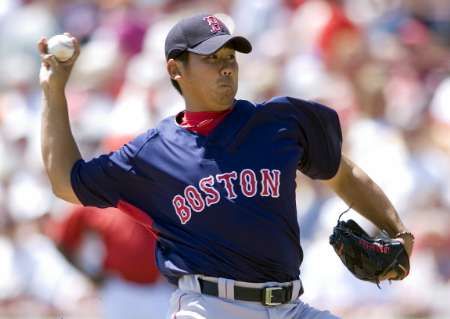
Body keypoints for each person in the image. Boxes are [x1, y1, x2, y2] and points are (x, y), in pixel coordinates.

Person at [39, 13, 414, 319]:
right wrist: (54, 90)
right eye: (211, 59)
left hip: (289, 307)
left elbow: (343, 173)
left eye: (230, 58)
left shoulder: (278, 123)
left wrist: (398, 230)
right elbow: (65, 182)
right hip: (209, 307)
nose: (226, 68)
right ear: (175, 69)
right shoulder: (152, 154)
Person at [45, 205, 172, 319]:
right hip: (119, 289)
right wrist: (88, 274)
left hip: (161, 288)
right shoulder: (97, 199)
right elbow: (63, 240)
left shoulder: (161, 197)